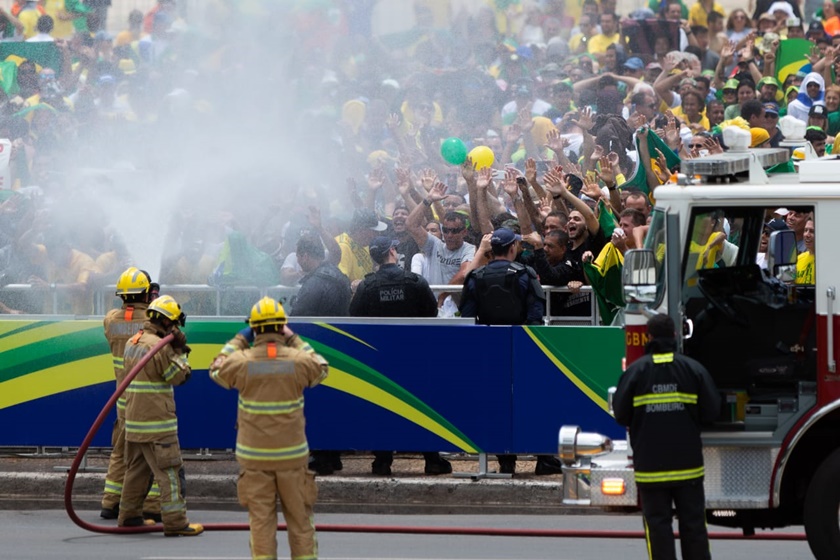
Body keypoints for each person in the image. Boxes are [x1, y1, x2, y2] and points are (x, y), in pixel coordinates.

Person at [208, 297, 329, 560]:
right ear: (282, 327)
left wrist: (240, 339)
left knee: (261, 525)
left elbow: (215, 370)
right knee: (300, 523)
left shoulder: (241, 361)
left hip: (255, 459)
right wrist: (294, 338)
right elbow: (321, 368)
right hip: (292, 458)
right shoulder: (299, 360)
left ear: (254, 329)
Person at [613, 314, 720, 560]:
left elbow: (621, 415)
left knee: (658, 528)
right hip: (688, 468)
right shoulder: (693, 370)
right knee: (694, 527)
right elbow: (712, 411)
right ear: (674, 336)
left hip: (650, 468)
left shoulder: (635, 372)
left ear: (648, 338)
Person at [460, 228, 561, 476]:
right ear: (513, 248)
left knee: (496, 405)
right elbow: (536, 317)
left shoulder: (476, 276)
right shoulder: (526, 274)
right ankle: (544, 459)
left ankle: (505, 461)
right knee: (534, 402)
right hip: (523, 349)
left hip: (489, 351)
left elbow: (466, 316)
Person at [349, 236, 452, 475]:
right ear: (393, 252)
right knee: (422, 406)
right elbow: (430, 314)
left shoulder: (367, 286)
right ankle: (432, 460)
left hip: (379, 358)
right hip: (414, 357)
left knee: (382, 407)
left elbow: (355, 318)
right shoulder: (415, 282)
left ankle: (382, 461)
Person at [118, 295, 203, 536]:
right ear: (167, 323)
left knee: (136, 470)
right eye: (174, 324)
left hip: (134, 421)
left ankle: (129, 516)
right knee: (170, 472)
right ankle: (176, 522)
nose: (176, 329)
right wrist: (180, 350)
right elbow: (179, 376)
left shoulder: (133, 341)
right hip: (157, 423)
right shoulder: (159, 346)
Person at [100, 267, 161, 522]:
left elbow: (123, 320)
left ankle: (111, 501)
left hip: (122, 401)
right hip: (147, 401)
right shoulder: (152, 321)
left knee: (121, 451)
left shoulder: (111, 321)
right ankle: (153, 504)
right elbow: (165, 329)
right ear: (146, 294)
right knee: (156, 452)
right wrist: (157, 302)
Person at [335, 208, 387, 284]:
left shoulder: (365, 243)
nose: (376, 234)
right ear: (362, 230)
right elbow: (340, 283)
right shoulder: (343, 246)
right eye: (373, 231)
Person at [796, 217, 815, 284]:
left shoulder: (829, 261)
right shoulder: (798, 259)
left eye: (812, 231)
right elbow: (790, 280)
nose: (807, 235)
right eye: (805, 230)